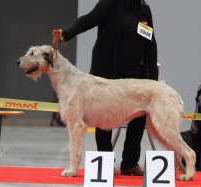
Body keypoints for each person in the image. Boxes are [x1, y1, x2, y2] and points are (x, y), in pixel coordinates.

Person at [52, 0, 158, 176]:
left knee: (139, 117)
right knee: (101, 117)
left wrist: (152, 76)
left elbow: (151, 43)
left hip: (135, 74)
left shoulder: (144, 9)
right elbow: (89, 19)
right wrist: (67, 33)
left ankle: (130, 163)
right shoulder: (111, 3)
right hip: (107, 72)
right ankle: (106, 162)